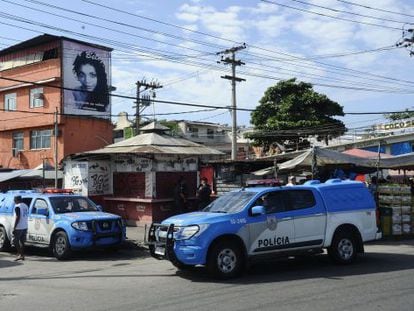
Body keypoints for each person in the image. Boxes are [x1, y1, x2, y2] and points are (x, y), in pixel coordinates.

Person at [13, 196, 29, 261]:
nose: (14, 201)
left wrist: (14, 227)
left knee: (15, 241)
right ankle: (22, 255)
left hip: (19, 227)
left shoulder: (17, 206)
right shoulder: (25, 206)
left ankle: (20, 254)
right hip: (25, 226)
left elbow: (18, 216)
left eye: (14, 200)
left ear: (17, 200)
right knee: (22, 241)